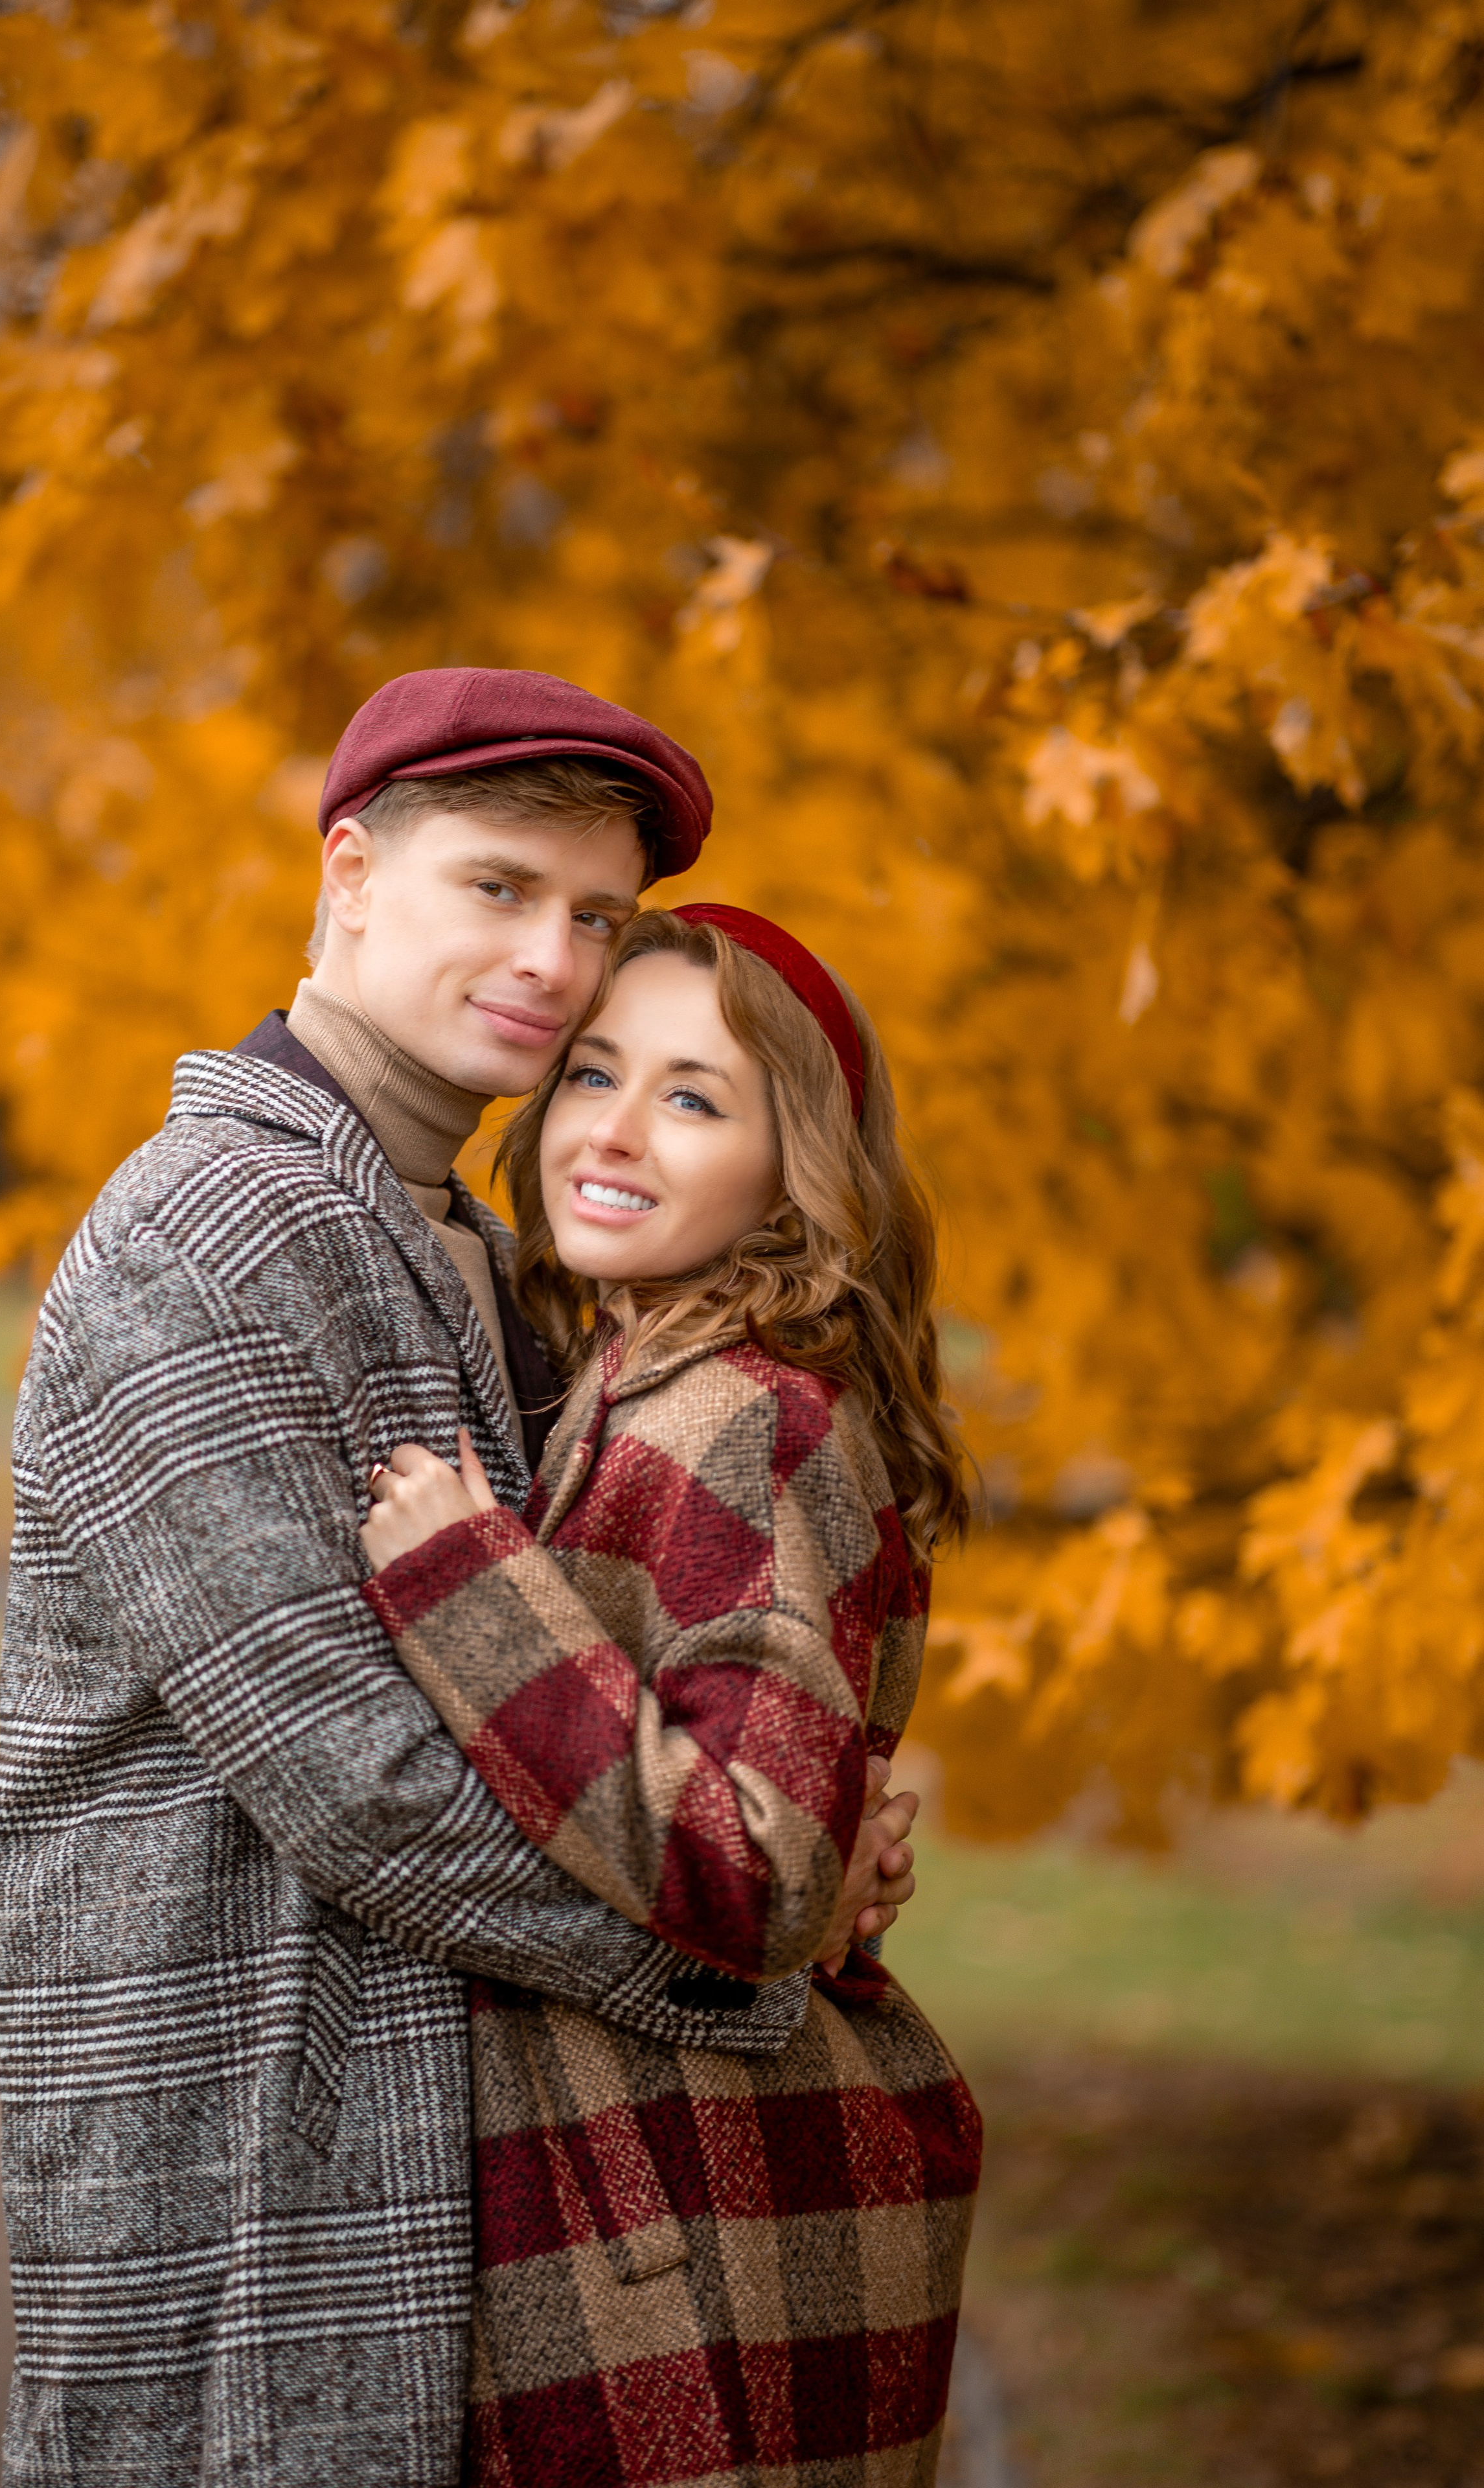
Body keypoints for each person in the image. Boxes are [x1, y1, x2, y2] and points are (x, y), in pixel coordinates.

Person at [0, 669, 920, 2488]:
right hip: (245, 2134)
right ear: (350, 875)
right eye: (498, 889)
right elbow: (366, 1785)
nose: (554, 961)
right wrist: (758, 1944)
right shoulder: (205, 1238)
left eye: (590, 915)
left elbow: (610, 1652)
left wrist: (812, 1793)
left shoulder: (483, 1255)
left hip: (440, 2147)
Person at [358, 902, 981, 2485]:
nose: (614, 1132)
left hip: (703, 2216)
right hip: (656, 2183)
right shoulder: (626, 1378)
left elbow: (755, 1873)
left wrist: (471, 1591)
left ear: (796, 1172)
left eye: (693, 1098)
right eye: (591, 1075)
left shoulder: (743, 1417)